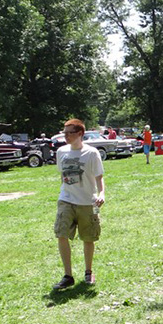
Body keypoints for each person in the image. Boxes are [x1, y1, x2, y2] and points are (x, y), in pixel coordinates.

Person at [53, 119, 105, 290]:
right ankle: (68, 276)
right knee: (61, 233)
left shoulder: (91, 153)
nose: (66, 136)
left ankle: (88, 272)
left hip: (87, 202)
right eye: (64, 132)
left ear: (80, 134)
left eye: (70, 132)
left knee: (88, 237)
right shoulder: (61, 152)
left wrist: (101, 193)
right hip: (66, 199)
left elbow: (99, 176)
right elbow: (62, 176)